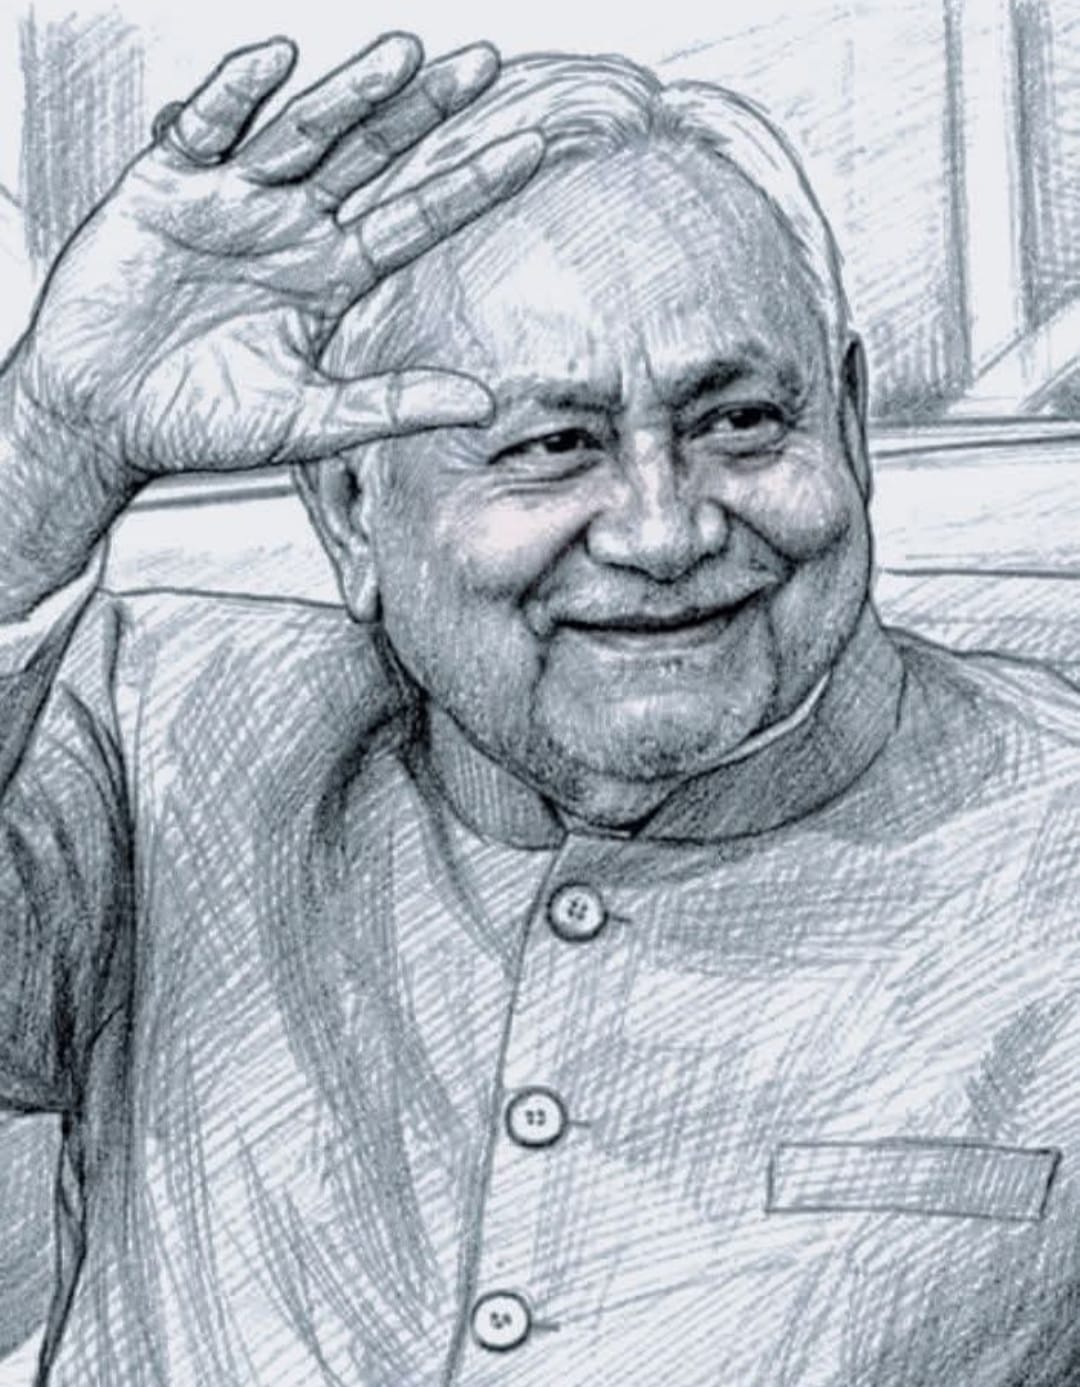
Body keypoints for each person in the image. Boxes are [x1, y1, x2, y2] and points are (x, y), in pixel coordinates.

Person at [2, 27, 1080, 1387]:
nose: (663, 531)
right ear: (350, 511)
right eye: (552, 446)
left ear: (852, 431)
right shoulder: (157, 736)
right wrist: (46, 450)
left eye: (741, 422)